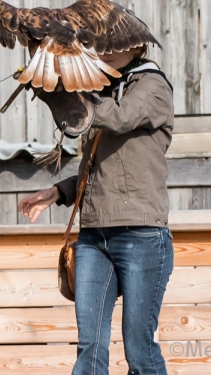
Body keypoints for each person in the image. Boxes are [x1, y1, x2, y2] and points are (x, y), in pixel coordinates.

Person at [18, 45, 174, 375]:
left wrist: (74, 101)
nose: (105, 51)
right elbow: (105, 170)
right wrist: (58, 192)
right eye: (99, 45)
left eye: (114, 45)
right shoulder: (98, 89)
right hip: (93, 239)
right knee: (89, 348)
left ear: (137, 47)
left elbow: (123, 115)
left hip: (141, 236)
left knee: (139, 352)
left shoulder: (153, 86)